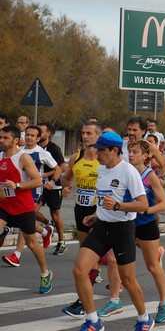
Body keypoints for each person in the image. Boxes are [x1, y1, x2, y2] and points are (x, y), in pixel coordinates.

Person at [72, 131, 154, 331]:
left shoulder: (128, 171)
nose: (96, 152)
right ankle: (93, 320)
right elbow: (104, 199)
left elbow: (142, 204)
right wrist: (96, 214)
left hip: (123, 230)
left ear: (114, 150)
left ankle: (144, 318)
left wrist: (118, 206)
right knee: (79, 270)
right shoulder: (100, 169)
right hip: (101, 228)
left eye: (101, 149)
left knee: (127, 279)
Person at [0, 125, 53, 294]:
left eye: (5, 138)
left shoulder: (23, 158)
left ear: (16, 140)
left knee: (31, 243)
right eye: (0, 137)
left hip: (23, 207)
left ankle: (45, 273)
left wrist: (17, 185)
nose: (1, 140)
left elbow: (37, 181)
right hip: (4, 206)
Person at [60, 121, 104, 318]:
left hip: (100, 213)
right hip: (81, 211)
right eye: (83, 132)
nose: (85, 136)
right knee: (93, 255)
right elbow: (66, 178)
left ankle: (83, 302)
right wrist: (67, 187)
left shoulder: (104, 160)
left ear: (98, 136)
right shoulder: (76, 158)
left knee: (88, 260)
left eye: (89, 133)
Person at [129, 140, 165, 323]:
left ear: (145, 156)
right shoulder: (126, 172)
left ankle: (164, 301)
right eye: (130, 151)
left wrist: (145, 210)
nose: (131, 154)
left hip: (146, 224)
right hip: (128, 223)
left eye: (135, 152)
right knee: (114, 260)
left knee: (152, 266)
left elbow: (164, 204)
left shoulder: (149, 176)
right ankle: (114, 300)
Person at [38, 122, 68, 255]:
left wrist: (48, 176)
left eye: (41, 131)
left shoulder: (54, 148)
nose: (38, 133)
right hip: (38, 186)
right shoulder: (35, 148)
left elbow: (62, 167)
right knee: (31, 211)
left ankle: (61, 242)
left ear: (48, 133)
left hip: (53, 186)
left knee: (55, 214)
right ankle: (48, 224)